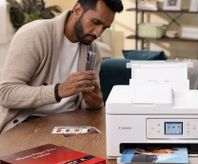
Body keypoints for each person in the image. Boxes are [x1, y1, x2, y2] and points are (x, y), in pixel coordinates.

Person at [0, 0, 123, 133]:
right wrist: (58, 91)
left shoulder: (93, 51)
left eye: (104, 28)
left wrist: (95, 102)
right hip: (28, 122)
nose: (98, 33)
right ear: (77, 10)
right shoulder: (34, 35)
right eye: (96, 22)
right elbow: (6, 93)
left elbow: (86, 106)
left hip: (71, 125)